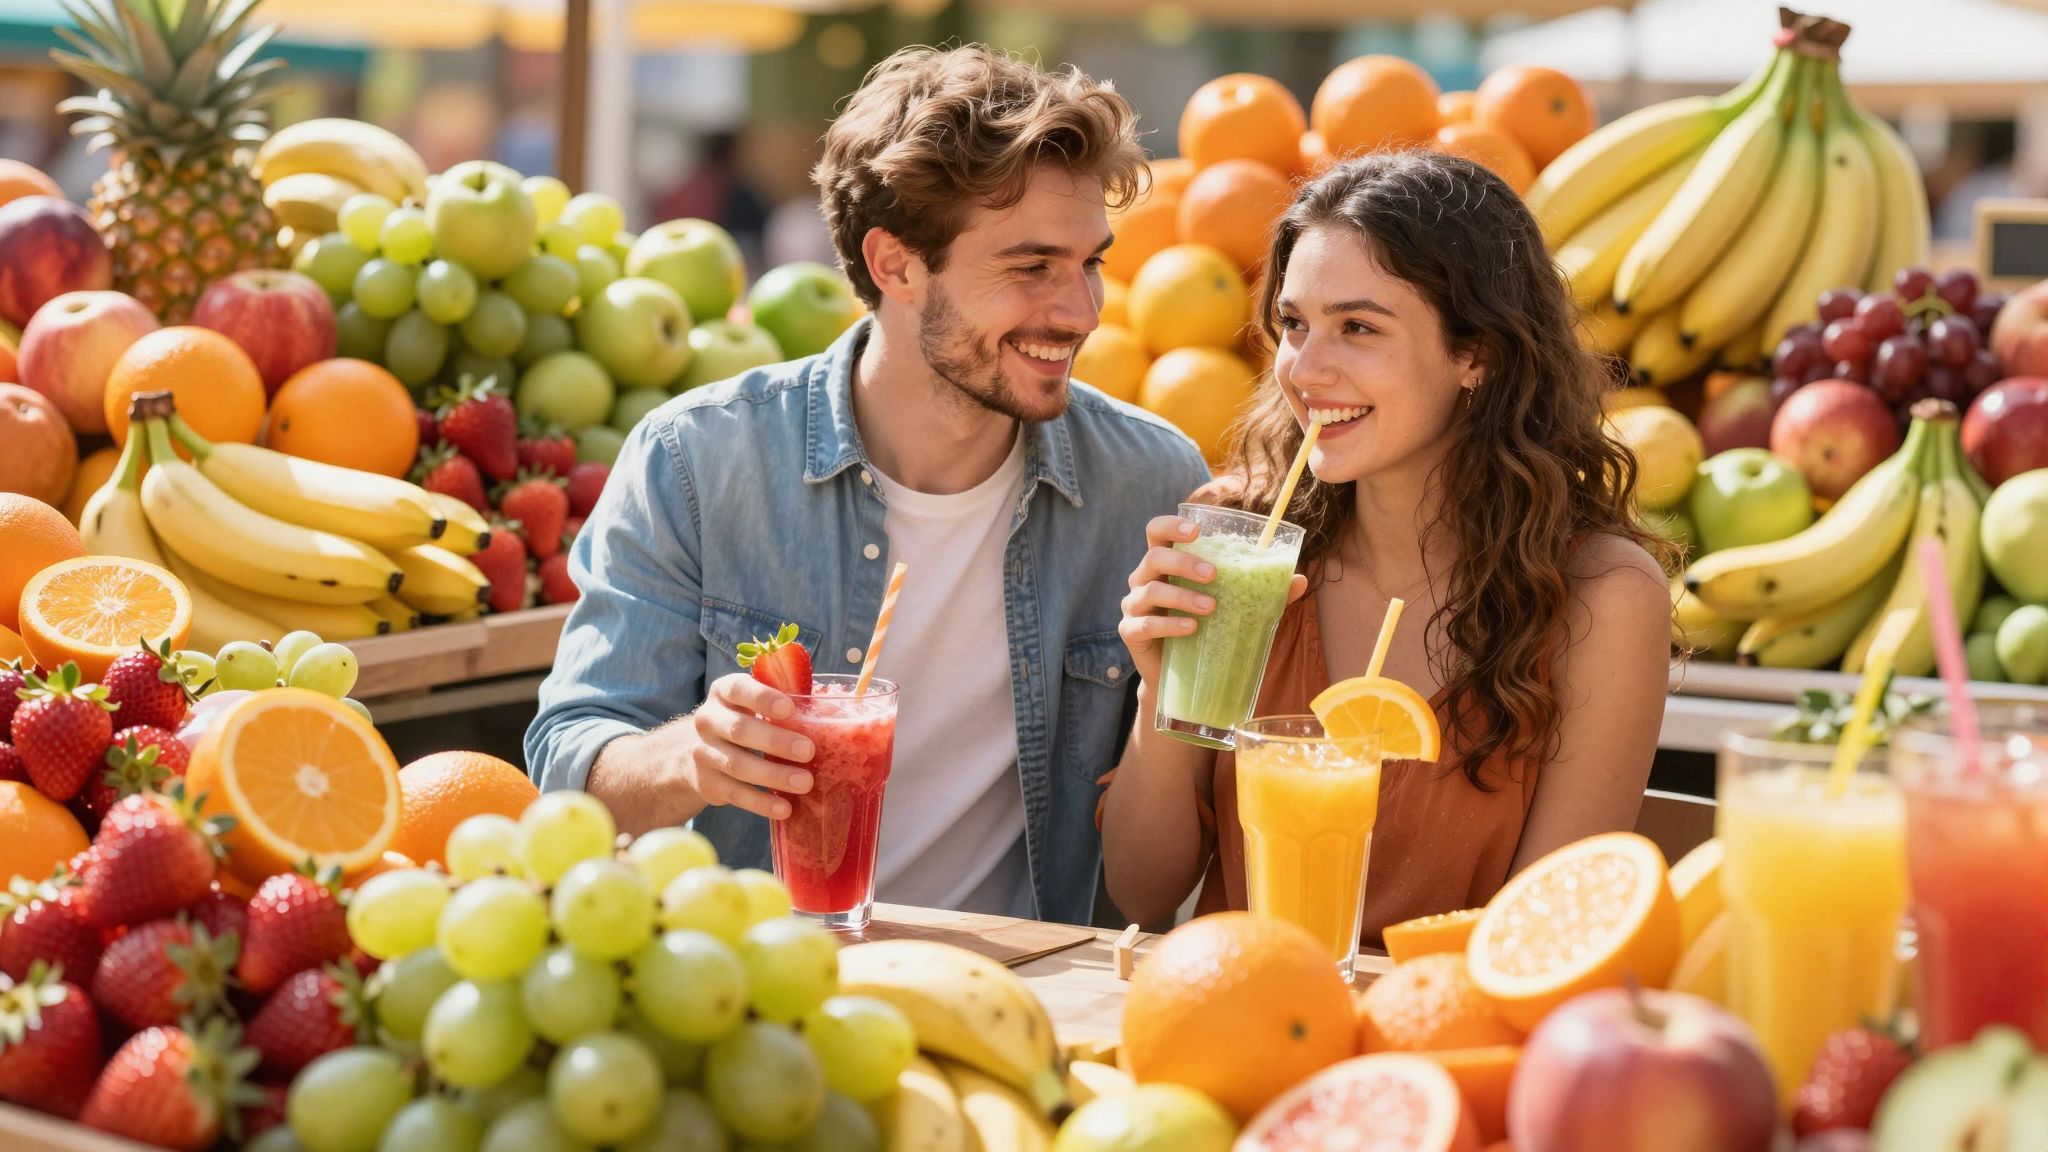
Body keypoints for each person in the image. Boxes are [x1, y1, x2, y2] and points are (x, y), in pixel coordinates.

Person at [524, 45, 1211, 926]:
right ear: (895, 266)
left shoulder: (1150, 483)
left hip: (1030, 994)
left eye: (1091, 264)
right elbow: (569, 767)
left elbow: (1156, 887)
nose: (1080, 311)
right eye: (1032, 267)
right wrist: (692, 756)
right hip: (763, 994)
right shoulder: (698, 461)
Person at [1101, 151, 1672, 941]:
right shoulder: (1240, 542)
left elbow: (1541, 942)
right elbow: (1141, 890)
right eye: (1294, 324)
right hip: (1239, 1015)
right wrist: (1160, 693)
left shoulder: (1603, 599)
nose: (1305, 368)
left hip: (1446, 1040)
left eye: (1358, 327)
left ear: (1477, 353)